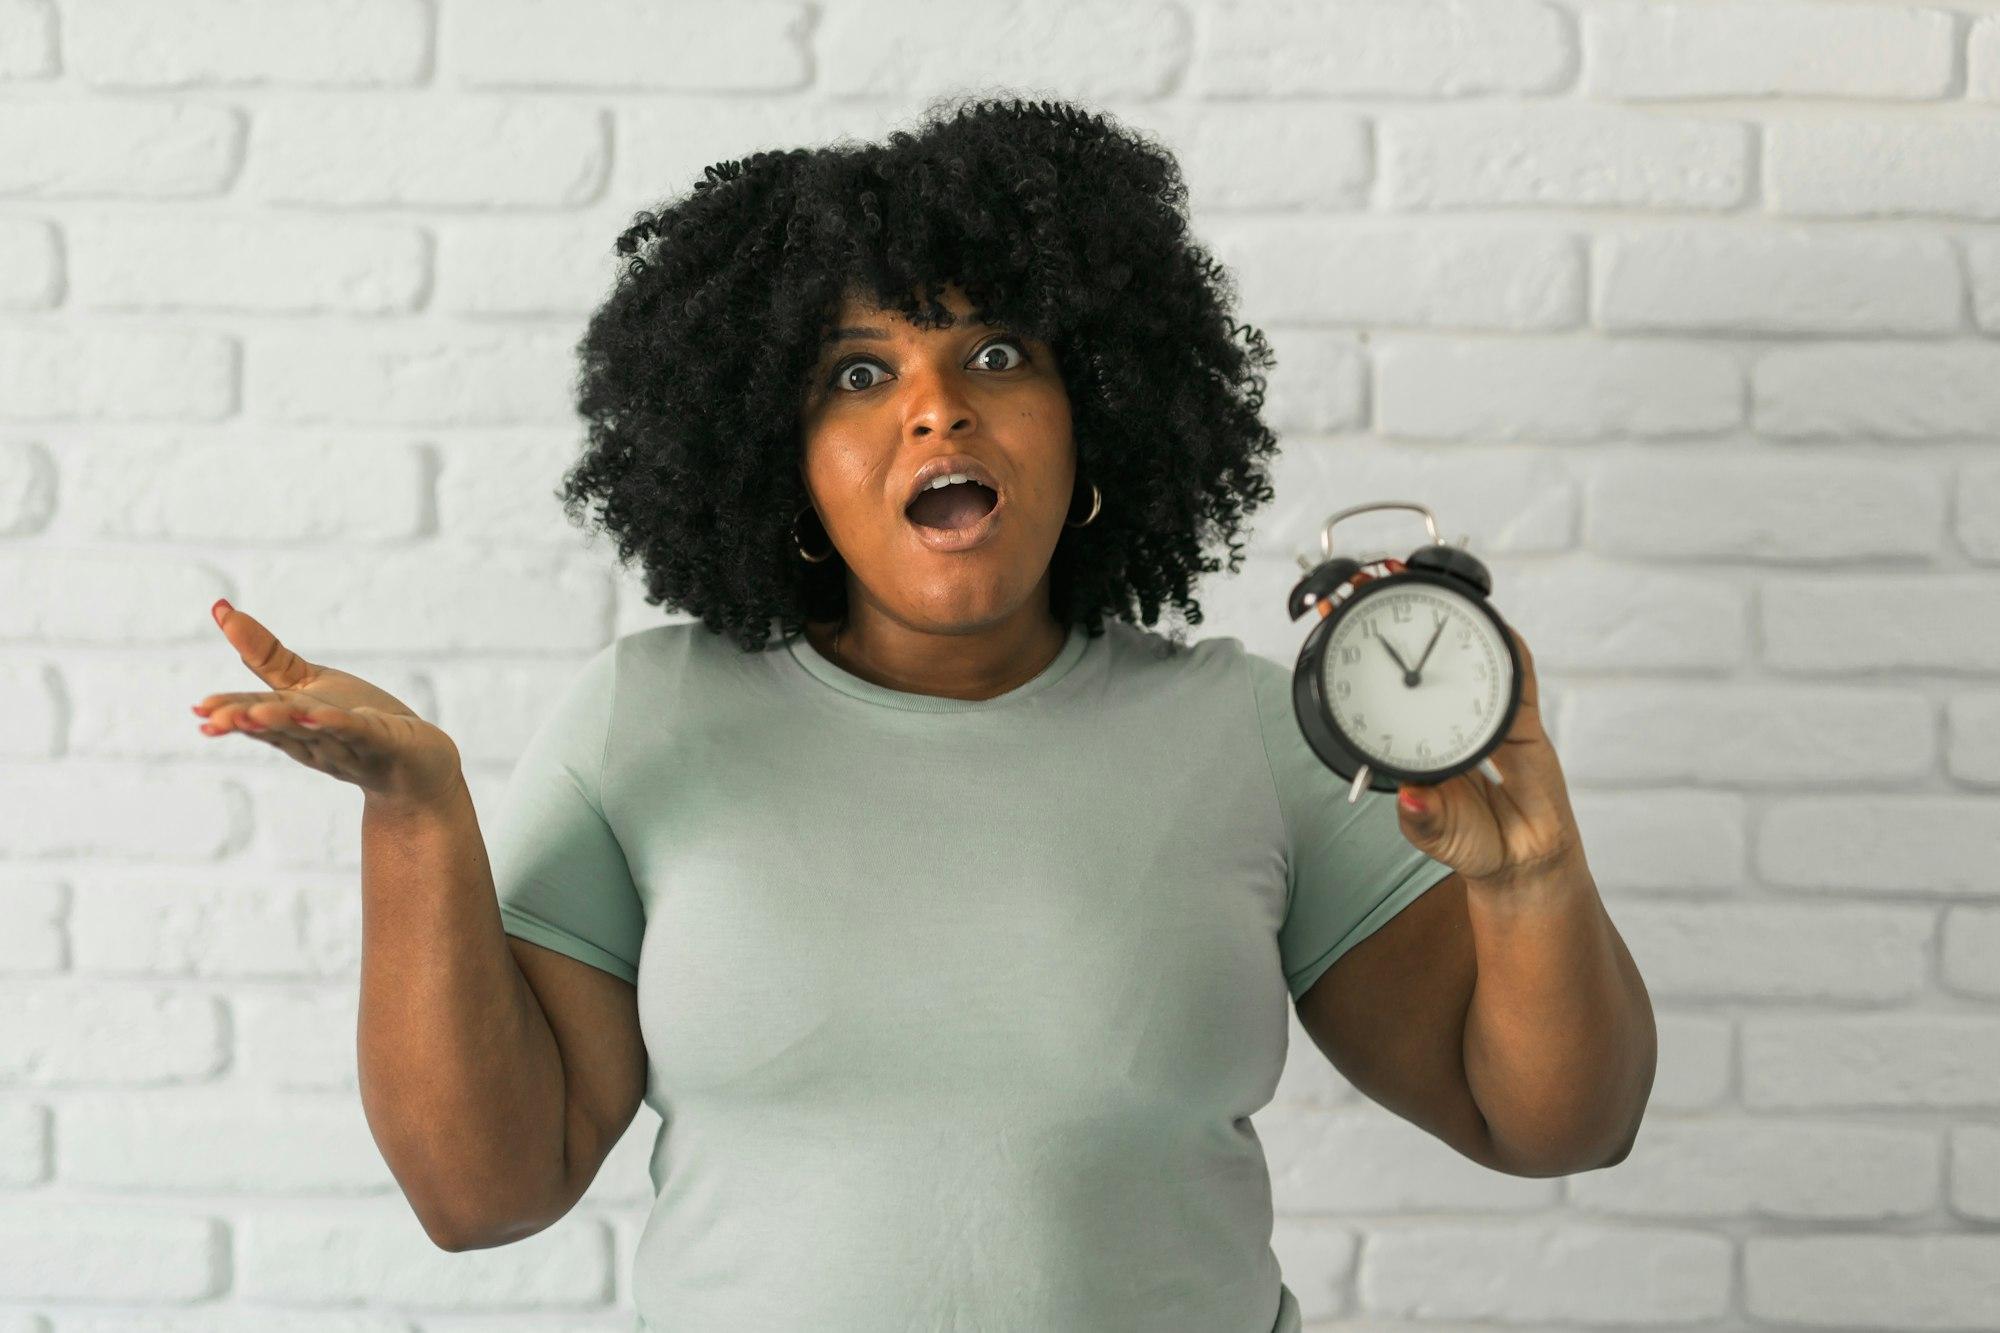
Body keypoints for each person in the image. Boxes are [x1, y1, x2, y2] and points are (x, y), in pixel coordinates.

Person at [190, 95, 1654, 1332]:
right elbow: (481, 1193)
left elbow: (1551, 1122)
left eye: (998, 355)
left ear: (1097, 420)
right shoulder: (649, 720)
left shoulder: (1250, 736)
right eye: (861, 373)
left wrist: (1530, 878)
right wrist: (415, 812)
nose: (938, 409)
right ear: (785, 461)